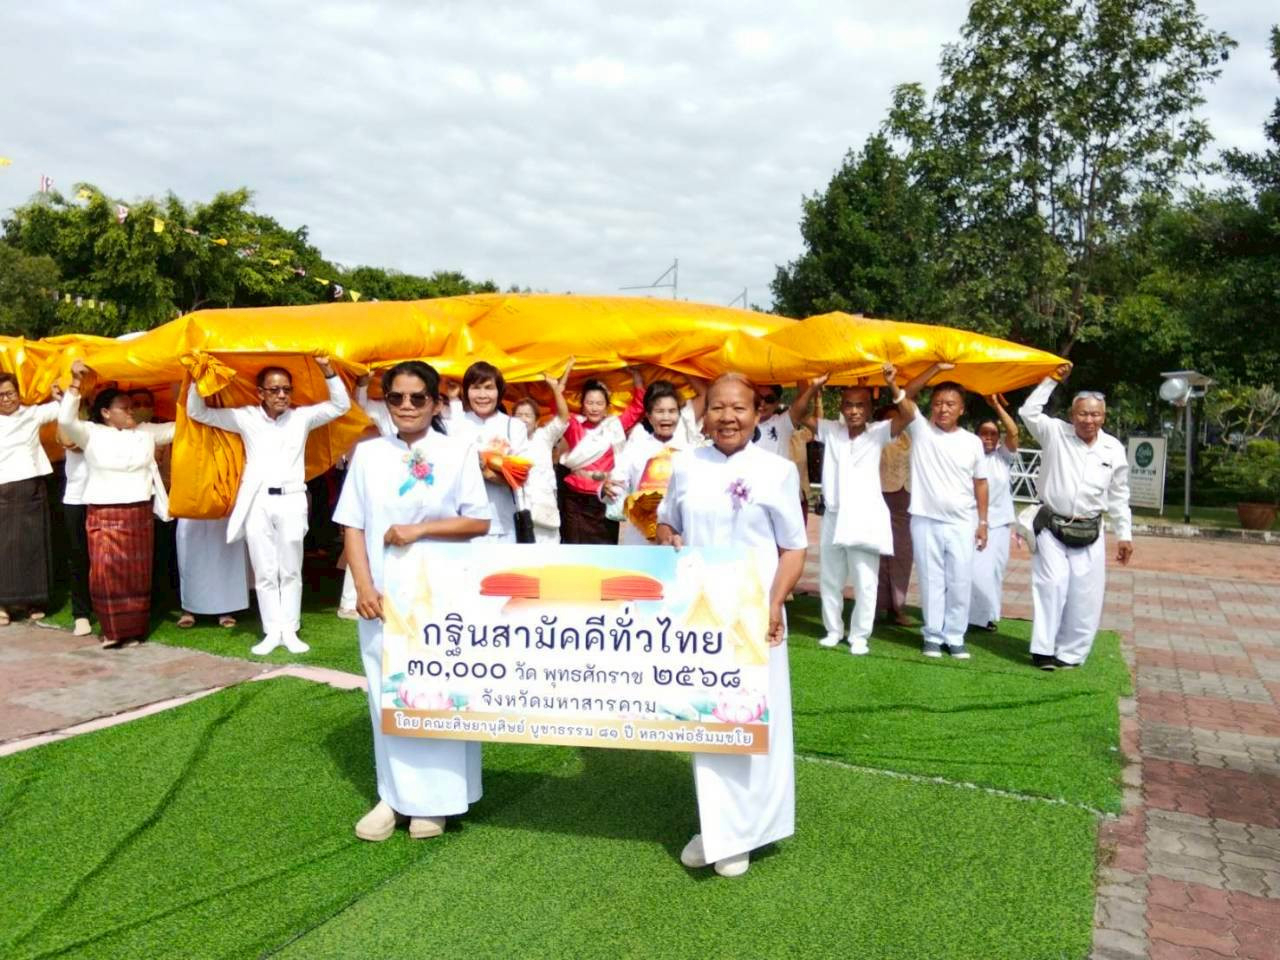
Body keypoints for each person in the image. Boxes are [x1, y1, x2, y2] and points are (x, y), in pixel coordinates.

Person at [656, 373, 808, 879]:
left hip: (757, 617)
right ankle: (718, 829)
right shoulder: (685, 466)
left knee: (755, 722)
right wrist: (669, 536)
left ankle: (749, 830)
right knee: (709, 721)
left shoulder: (777, 470)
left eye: (739, 408)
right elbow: (665, 521)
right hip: (701, 614)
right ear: (704, 414)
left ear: (757, 411)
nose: (727, 417)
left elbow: (794, 548)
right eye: (717, 407)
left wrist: (774, 603)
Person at [334, 360, 491, 842]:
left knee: (439, 690)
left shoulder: (457, 451)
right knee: (386, 689)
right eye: (396, 397)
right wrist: (363, 586)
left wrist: (420, 530)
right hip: (382, 593)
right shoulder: (368, 455)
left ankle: (438, 801)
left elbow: (478, 520)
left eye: (417, 398)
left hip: (442, 593)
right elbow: (352, 524)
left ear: (435, 402)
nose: (406, 406)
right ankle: (393, 797)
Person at [186, 355, 351, 656]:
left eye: (286, 389)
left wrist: (328, 370)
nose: (281, 395)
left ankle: (290, 628)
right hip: (257, 500)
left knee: (290, 569)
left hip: (291, 498)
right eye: (274, 390)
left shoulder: (302, 417)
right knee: (264, 570)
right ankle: (271, 630)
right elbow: (197, 412)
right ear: (260, 392)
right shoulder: (245, 416)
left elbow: (341, 406)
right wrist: (200, 378)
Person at [1019, 364, 1133, 670]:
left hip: (1091, 529)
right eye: (1083, 413)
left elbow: (1120, 495)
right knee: (1052, 584)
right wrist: (1052, 380)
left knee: (1086, 596)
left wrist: (1125, 535)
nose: (1089, 420)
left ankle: (1071, 654)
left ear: (1104, 417)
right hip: (1051, 525)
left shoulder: (1113, 449)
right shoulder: (1055, 433)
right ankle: (1043, 650)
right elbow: (1028, 412)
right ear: (1072, 415)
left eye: (1095, 414)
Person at [59, 362, 175, 648]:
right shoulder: (91, 433)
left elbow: (181, 427)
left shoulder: (146, 432)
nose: (132, 411)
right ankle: (112, 631)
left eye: (132, 407)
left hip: (138, 513)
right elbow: (64, 422)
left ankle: (134, 631)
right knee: (106, 573)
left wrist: (188, 385)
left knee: (136, 575)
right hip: (104, 513)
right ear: (106, 413)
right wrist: (75, 383)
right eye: (125, 407)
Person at [810, 366, 911, 654]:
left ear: (869, 410)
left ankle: (859, 636)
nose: (854, 411)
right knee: (830, 578)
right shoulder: (831, 430)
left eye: (860, 405)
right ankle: (833, 630)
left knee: (865, 580)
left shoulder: (878, 433)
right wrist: (815, 386)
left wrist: (893, 384)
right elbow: (797, 414)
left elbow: (908, 415)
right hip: (832, 514)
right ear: (841, 407)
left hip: (864, 516)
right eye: (849, 405)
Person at [899, 364, 990, 659]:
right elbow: (905, 393)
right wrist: (934, 368)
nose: (942, 409)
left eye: (950, 404)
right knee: (931, 581)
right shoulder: (921, 431)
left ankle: (955, 636)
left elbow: (980, 483)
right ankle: (933, 636)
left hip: (962, 522)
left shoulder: (972, 442)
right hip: (925, 520)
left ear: (961, 409)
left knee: (960, 581)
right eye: (937, 403)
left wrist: (984, 521)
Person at [559, 368, 645, 544]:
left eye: (599, 403)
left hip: (604, 498)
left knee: (605, 550)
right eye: (590, 403)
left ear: (607, 407)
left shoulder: (615, 426)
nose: (594, 408)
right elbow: (557, 406)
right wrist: (564, 376)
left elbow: (638, 407)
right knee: (574, 550)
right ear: (582, 405)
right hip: (575, 500)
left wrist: (636, 376)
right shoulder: (574, 425)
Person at [0, 373, 59, 626]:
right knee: (5, 547)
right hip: (2, 487)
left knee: (34, 544)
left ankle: (35, 600)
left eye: (10, 393)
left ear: (18, 393)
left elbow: (62, 409)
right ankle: (2, 604)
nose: (6, 399)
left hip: (32, 486)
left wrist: (64, 392)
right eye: (1, 395)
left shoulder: (32, 414)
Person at [446, 361, 528, 543]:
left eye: (489, 388)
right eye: (476, 388)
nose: (482, 395)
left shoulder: (514, 426)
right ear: (466, 391)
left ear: (499, 392)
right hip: (462, 522)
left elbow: (521, 476)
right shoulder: (452, 426)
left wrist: (485, 471)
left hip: (503, 522)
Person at [607, 379, 693, 544]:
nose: (666, 417)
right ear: (649, 416)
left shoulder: (690, 452)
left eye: (672, 411)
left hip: (677, 537)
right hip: (640, 537)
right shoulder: (636, 449)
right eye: (660, 411)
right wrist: (607, 490)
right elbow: (617, 483)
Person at [968, 395, 1020, 631]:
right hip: (976, 522)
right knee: (978, 570)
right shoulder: (969, 457)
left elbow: (1014, 432)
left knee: (996, 570)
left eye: (992, 434)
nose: (988, 438)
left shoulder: (1003, 457)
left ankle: (988, 615)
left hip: (1001, 523)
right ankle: (972, 617)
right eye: (983, 433)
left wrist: (997, 406)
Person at [511, 360, 574, 544]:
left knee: (547, 552)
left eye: (527, 415)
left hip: (543, 507)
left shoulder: (544, 436)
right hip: (517, 507)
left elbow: (563, 417)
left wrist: (555, 389)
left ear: (537, 421)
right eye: (518, 415)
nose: (523, 419)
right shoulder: (506, 440)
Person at [875, 406, 914, 626]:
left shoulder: (912, 438)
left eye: (898, 419)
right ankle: (875, 606)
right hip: (879, 497)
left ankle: (898, 607)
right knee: (878, 553)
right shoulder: (875, 438)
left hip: (906, 501)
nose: (895, 423)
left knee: (902, 554)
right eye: (889, 420)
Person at [58, 403, 94, 636]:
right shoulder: (68, 422)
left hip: (102, 497)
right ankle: (81, 613)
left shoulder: (105, 426)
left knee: (105, 559)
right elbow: (70, 442)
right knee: (79, 557)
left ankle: (106, 607)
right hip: (76, 499)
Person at [175, 518, 250, 628]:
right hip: (191, 509)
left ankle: (226, 607)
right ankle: (188, 608)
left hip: (223, 510)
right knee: (191, 553)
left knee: (223, 551)